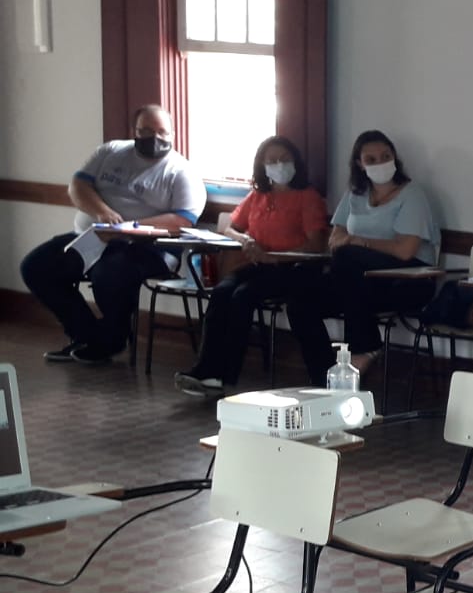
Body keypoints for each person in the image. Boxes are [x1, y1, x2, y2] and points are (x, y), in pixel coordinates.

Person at [20, 104, 206, 363]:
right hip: (92, 236)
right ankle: (86, 335)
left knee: (109, 274)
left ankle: (113, 339)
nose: (155, 138)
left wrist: (128, 227)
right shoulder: (111, 152)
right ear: (134, 131)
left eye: (163, 132)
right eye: (146, 131)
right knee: (36, 267)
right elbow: (78, 186)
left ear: (173, 133)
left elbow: (182, 221)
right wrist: (102, 213)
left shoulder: (181, 171)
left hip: (147, 247)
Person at [173, 137, 330, 395]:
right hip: (258, 264)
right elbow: (230, 228)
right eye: (272, 160)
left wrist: (276, 257)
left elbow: (315, 246)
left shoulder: (307, 197)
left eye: (284, 159)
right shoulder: (258, 195)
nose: (279, 165)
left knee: (243, 296)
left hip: (293, 268)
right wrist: (245, 239)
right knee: (222, 292)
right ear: (263, 166)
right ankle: (206, 370)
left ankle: (225, 375)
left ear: (296, 162)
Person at [286, 130, 439, 384]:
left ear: (395, 158)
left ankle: (364, 347)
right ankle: (326, 380)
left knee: (349, 257)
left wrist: (360, 241)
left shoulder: (413, 194)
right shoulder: (356, 193)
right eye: (371, 159)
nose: (380, 163)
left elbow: (405, 250)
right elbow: (335, 238)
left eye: (386, 156)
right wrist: (349, 243)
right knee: (300, 303)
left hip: (407, 279)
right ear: (360, 164)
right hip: (360, 283)